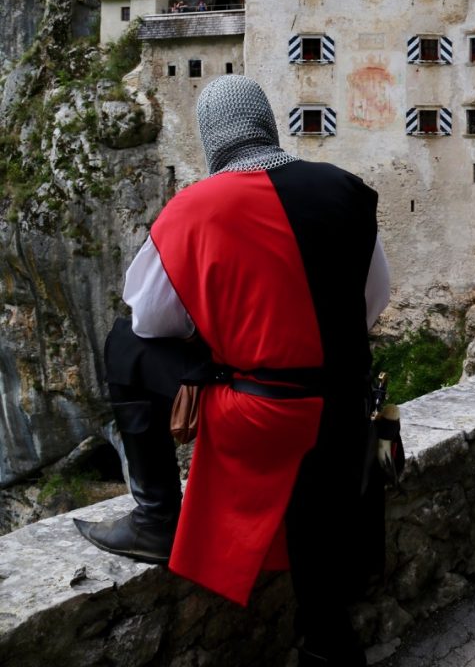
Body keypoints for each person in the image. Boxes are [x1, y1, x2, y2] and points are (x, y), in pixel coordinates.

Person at [74, 75, 391, 667]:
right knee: (321, 571)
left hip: (267, 416)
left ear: (210, 138)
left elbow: (148, 318)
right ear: (268, 124)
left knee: (123, 345)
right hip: (346, 411)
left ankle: (155, 517)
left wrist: (213, 358)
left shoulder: (194, 207)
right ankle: (327, 646)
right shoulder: (345, 189)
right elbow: (375, 299)